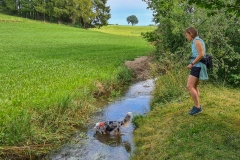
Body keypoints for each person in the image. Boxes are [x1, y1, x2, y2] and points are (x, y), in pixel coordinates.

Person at [185, 27, 208, 116]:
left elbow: (201, 54)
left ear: (191, 34)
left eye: (187, 35)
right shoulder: (196, 40)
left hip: (197, 66)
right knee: (194, 86)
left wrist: (192, 64)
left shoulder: (196, 41)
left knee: (189, 86)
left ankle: (198, 107)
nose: (186, 37)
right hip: (197, 65)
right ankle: (197, 106)